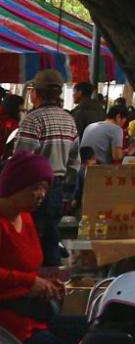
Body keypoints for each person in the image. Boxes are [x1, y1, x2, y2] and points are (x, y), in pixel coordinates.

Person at [0, 153, 76, 344]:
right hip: (9, 327)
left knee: (88, 332)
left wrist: (46, 284)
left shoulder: (25, 218)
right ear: (14, 185)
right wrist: (30, 281)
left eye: (45, 188)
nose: (41, 194)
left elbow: (28, 268)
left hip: (32, 315)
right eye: (34, 187)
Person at [16, 70, 78, 258]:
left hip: (35, 188)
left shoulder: (33, 119)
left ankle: (40, 278)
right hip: (58, 185)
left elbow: (22, 158)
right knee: (50, 233)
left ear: (36, 93)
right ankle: (53, 276)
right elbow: (74, 161)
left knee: (34, 237)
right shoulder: (69, 119)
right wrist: (68, 190)